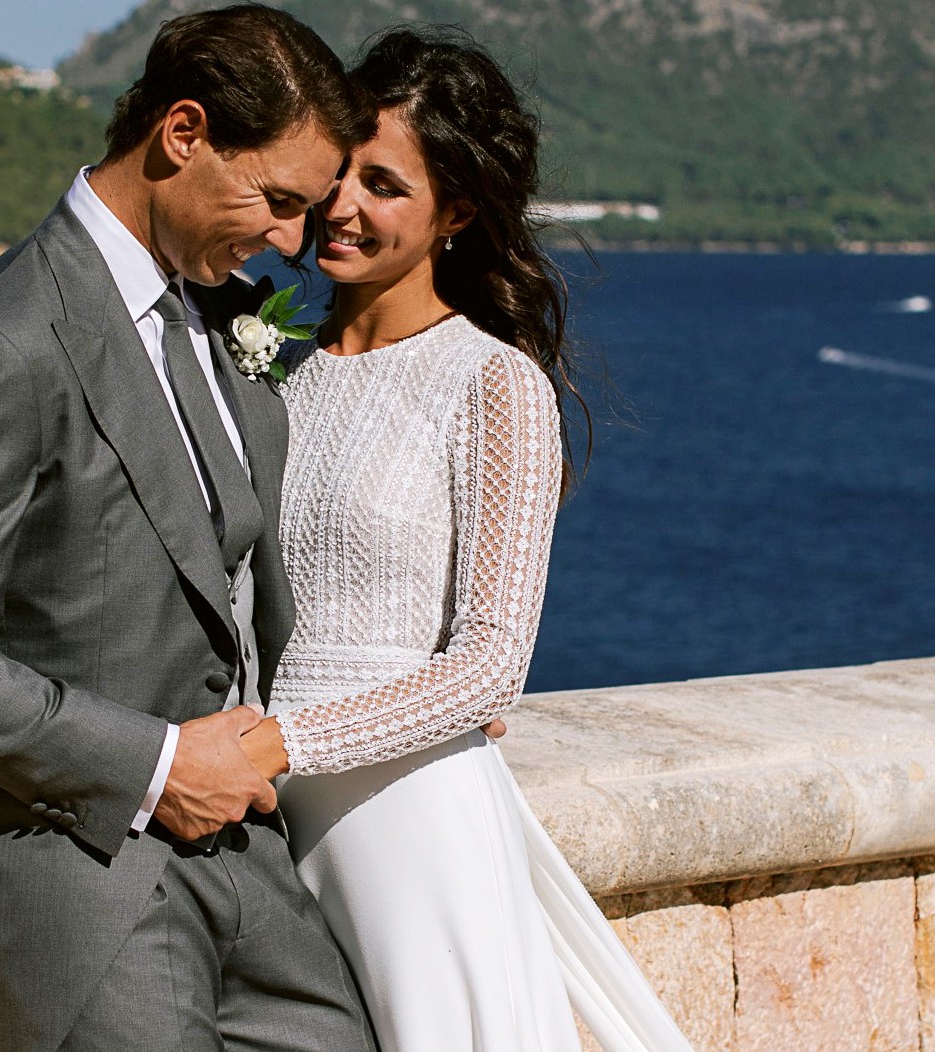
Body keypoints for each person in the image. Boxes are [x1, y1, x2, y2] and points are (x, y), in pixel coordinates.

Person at [0, 8, 378, 1052]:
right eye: (275, 202)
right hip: (74, 883)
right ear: (182, 132)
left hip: (256, 879)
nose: (290, 244)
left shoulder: (224, 317)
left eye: (303, 214)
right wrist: (156, 766)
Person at [237, 29, 697, 1052]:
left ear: (459, 213)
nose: (343, 206)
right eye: (339, 170)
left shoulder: (490, 384)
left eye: (386, 185)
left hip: (403, 818)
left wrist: (284, 741)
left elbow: (491, 669)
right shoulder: (270, 366)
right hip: (266, 815)